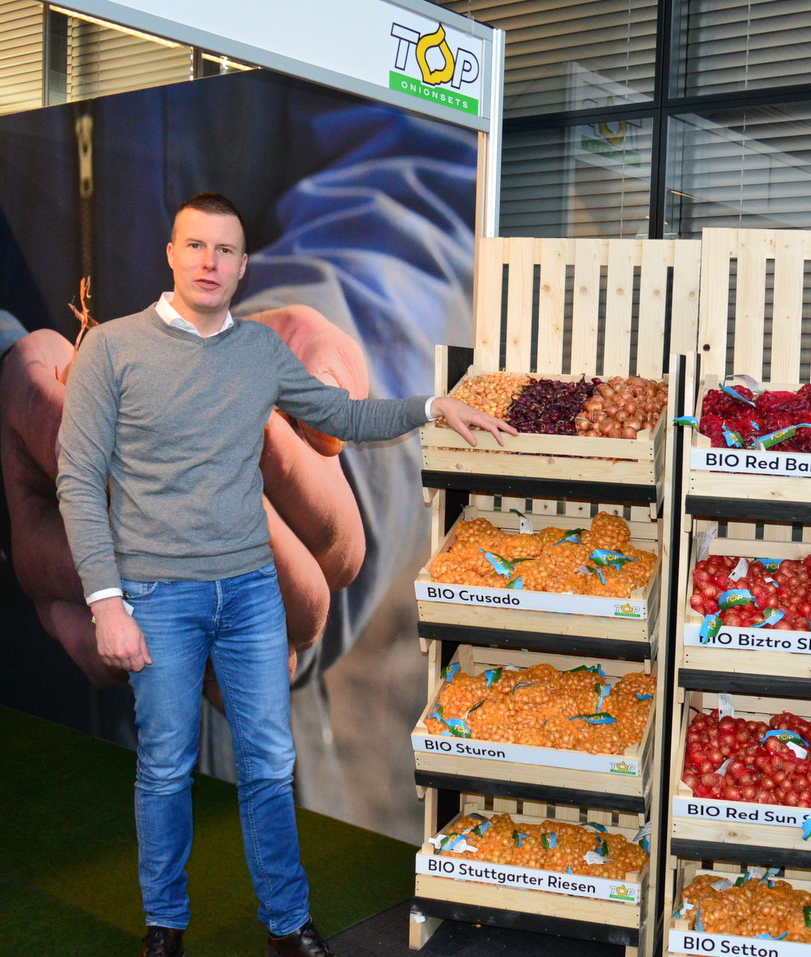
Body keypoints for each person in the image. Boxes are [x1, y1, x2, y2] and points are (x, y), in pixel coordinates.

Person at [55, 192, 514, 957]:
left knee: (269, 763)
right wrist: (106, 599)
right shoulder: (114, 350)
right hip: (161, 591)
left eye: (225, 250)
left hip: (250, 594)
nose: (210, 262)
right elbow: (78, 477)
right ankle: (164, 926)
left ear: (242, 266)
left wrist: (433, 406)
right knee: (164, 769)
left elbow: (347, 415)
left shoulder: (262, 353)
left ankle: (287, 924)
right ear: (171, 255)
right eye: (196, 246)